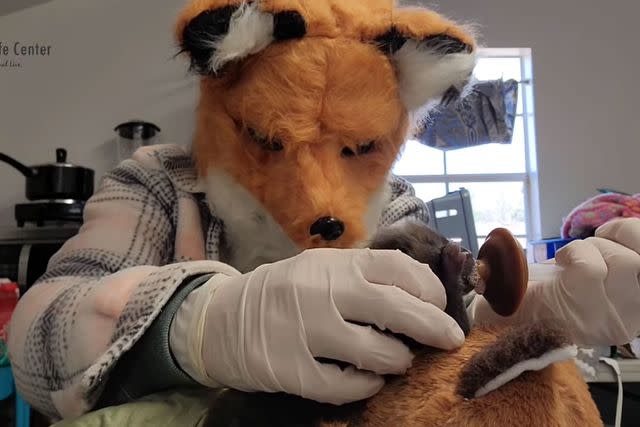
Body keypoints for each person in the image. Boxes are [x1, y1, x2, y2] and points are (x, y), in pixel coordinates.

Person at [7, 0, 640, 422]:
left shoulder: (394, 204)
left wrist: (529, 306)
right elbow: (37, 339)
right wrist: (202, 323)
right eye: (270, 141)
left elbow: (452, 328)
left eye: (361, 148)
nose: (319, 198)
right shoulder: (159, 184)